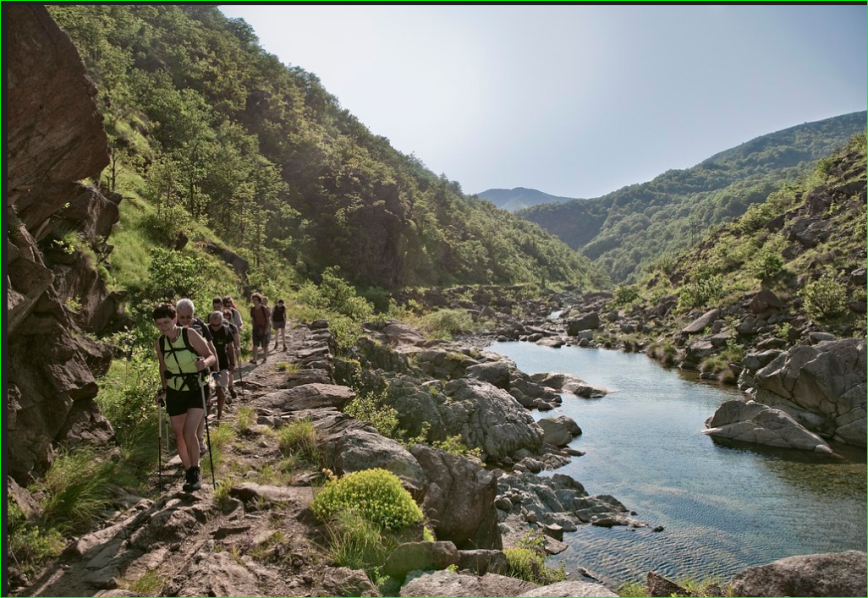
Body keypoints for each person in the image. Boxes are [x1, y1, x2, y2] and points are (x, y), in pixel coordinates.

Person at [153, 303, 216, 492]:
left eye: (166, 322)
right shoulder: (160, 343)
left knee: (190, 432)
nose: (163, 327)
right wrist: (163, 389)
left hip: (196, 387)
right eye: (159, 324)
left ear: (174, 319)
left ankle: (196, 472)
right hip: (175, 391)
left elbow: (211, 355)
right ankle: (188, 473)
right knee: (179, 435)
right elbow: (163, 367)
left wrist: (204, 363)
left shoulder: (190, 335)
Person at [176, 299, 218, 453]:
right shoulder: (173, 330)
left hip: (201, 374)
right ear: (177, 316)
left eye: (189, 317)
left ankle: (199, 439)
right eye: (182, 317)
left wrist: (215, 370)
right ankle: (188, 439)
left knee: (199, 410)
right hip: (180, 377)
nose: (186, 320)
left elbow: (211, 349)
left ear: (193, 314)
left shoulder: (201, 326)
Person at [207, 311, 236, 420]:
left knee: (221, 389)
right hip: (208, 366)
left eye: (217, 325)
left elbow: (230, 347)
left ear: (222, 322)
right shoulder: (205, 330)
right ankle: (206, 413)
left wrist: (232, 364)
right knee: (209, 390)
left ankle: (219, 414)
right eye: (213, 325)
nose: (215, 327)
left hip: (223, 363)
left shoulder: (226, 330)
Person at [249, 292, 271, 364]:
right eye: (253, 300)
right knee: (255, 344)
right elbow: (253, 318)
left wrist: (267, 329)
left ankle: (265, 357)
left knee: (264, 344)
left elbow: (268, 319)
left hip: (264, 328)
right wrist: (253, 327)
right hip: (256, 328)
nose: (254, 301)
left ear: (259, 300)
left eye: (256, 300)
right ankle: (254, 359)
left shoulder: (263, 308)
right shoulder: (252, 309)